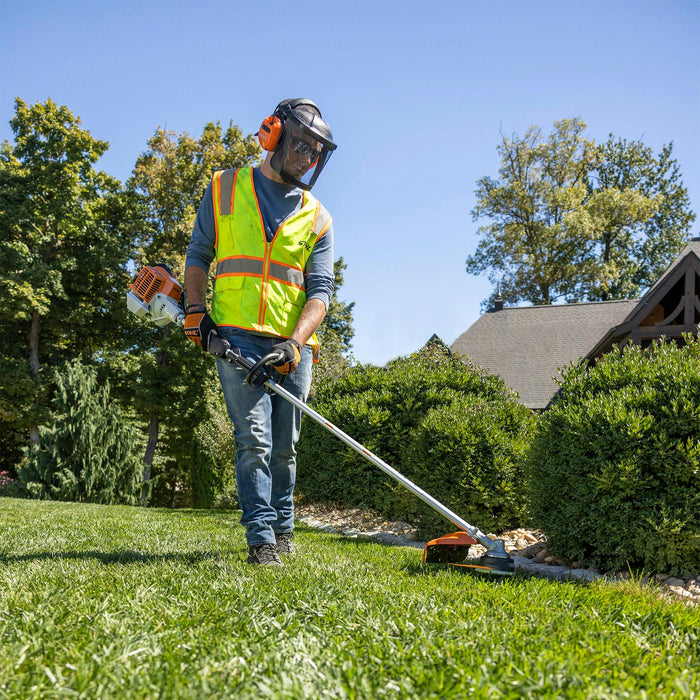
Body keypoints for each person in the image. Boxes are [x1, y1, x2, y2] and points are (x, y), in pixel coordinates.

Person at [183, 98, 337, 566]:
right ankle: (261, 539)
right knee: (254, 440)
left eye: (316, 152)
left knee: (286, 446)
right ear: (273, 134)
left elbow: (322, 290)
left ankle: (285, 528)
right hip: (236, 336)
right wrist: (195, 314)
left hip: (294, 345)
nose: (308, 158)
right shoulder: (225, 188)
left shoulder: (318, 216)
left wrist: (294, 343)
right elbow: (198, 254)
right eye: (302, 146)